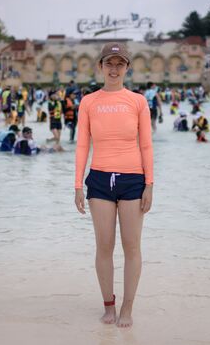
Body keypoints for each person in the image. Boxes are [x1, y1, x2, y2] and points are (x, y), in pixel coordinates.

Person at [74, 42, 153, 329]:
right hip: (99, 180)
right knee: (104, 246)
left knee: (132, 247)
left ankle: (127, 308)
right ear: (101, 66)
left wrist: (150, 184)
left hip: (133, 180)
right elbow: (83, 144)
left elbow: (146, 144)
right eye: (110, 63)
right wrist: (77, 186)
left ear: (127, 68)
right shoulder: (88, 102)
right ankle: (109, 304)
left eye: (120, 64)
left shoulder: (138, 101)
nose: (114, 69)